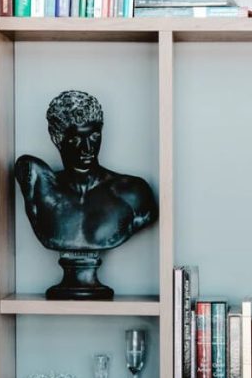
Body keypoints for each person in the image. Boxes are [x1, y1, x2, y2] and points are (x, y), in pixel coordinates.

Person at [16, 90, 158, 299]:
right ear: (58, 138)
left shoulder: (133, 191)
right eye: (76, 139)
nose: (88, 148)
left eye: (94, 135)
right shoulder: (38, 184)